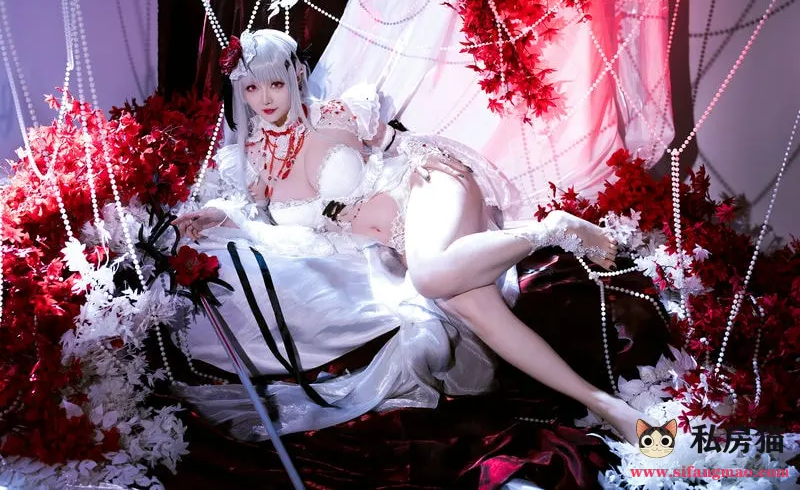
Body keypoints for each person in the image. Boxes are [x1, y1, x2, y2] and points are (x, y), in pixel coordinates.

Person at [173, 29, 649, 445]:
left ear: (297, 75)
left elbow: (402, 144)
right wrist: (212, 214)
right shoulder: (253, 159)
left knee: (429, 277)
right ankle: (608, 406)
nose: (265, 98)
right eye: (252, 87)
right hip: (407, 245)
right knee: (471, 308)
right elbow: (249, 213)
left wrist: (418, 152)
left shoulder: (337, 114)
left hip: (424, 188)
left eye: (276, 83)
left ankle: (553, 229)